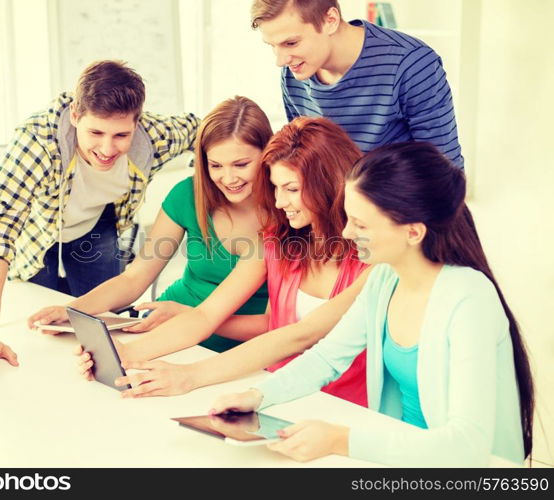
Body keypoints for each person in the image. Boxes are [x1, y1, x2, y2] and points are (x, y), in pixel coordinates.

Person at [211, 142, 534, 467]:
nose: (348, 233)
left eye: (361, 225)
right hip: (395, 457)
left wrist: (340, 440)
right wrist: (256, 397)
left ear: (413, 232)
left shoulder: (469, 298)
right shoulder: (384, 280)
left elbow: (467, 446)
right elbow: (326, 358)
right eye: (349, 219)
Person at [88, 117, 370, 406]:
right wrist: (126, 353)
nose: (280, 201)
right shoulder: (275, 242)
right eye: (275, 187)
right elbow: (206, 315)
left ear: (329, 183)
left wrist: (190, 376)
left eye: (292, 189)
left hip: (343, 405)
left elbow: (301, 335)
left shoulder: (375, 260)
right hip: (274, 390)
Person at [0, 60, 200, 381]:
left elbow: (207, 130)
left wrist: (212, 177)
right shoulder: (38, 143)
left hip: (97, 226)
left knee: (100, 332)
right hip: (39, 235)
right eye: (95, 132)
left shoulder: (154, 135)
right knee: (40, 331)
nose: (107, 148)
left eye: (121, 134)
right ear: (75, 115)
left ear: (138, 123)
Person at [28, 96, 273, 354]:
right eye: (215, 165)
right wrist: (74, 311)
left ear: (268, 154)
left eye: (241, 164)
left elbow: (276, 324)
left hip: (241, 345)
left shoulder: (290, 213)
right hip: (168, 326)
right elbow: (135, 278)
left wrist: (187, 315)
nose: (229, 178)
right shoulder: (189, 195)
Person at [251, 0, 463, 167]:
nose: (280, 60)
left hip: (397, 213)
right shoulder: (293, 71)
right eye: (272, 46)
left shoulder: (410, 63)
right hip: (331, 211)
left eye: (291, 43)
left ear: (330, 20)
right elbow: (302, 161)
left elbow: (444, 170)